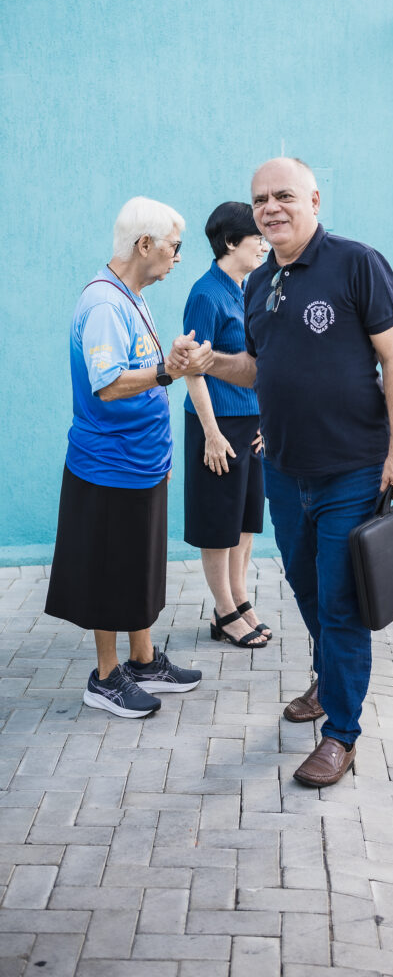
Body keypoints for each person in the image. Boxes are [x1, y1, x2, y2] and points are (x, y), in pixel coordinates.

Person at [206, 157, 393, 786]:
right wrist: (210, 361)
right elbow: (258, 368)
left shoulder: (357, 263)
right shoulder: (257, 283)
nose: (270, 208)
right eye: (260, 200)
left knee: (340, 601)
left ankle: (342, 734)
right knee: (305, 587)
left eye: (284, 196)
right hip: (284, 469)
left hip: (352, 468)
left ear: (314, 200)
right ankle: (330, 680)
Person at [45, 197, 213, 718]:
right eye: (174, 247)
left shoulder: (131, 296)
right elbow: (110, 384)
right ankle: (105, 677)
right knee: (110, 569)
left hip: (141, 463)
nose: (177, 257)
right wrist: (167, 371)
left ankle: (142, 660)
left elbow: (147, 367)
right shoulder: (104, 305)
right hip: (109, 466)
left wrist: (171, 363)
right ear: (144, 245)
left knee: (138, 566)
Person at [183, 202, 271, 648]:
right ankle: (223, 610)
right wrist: (212, 433)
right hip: (216, 424)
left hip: (251, 423)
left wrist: (265, 419)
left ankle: (239, 598)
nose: (264, 244)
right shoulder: (205, 294)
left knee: (245, 519)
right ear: (232, 242)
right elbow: (193, 369)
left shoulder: (248, 288)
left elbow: (260, 361)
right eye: (257, 236)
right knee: (219, 521)